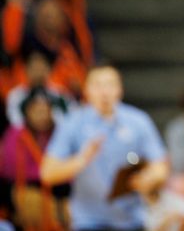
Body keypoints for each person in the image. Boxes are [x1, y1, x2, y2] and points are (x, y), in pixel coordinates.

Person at [41, 64, 169, 231]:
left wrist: (149, 178)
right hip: (87, 221)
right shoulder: (72, 123)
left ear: (120, 89)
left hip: (131, 219)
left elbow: (161, 166)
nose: (104, 92)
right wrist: (81, 159)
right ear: (86, 89)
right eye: (97, 85)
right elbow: (47, 173)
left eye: (110, 84)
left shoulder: (138, 121)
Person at [0, 86, 70, 229]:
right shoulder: (15, 134)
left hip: (59, 187)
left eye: (46, 110)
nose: (42, 115)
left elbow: (70, 166)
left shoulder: (61, 131)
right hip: (27, 187)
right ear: (26, 112)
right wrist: (49, 170)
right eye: (37, 110)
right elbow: (9, 169)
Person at [6, 47, 74, 126]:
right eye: (34, 67)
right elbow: (16, 122)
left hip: (57, 135)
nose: (38, 71)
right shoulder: (16, 96)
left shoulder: (60, 93)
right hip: (28, 136)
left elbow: (71, 118)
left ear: (49, 70)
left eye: (41, 66)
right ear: (26, 70)